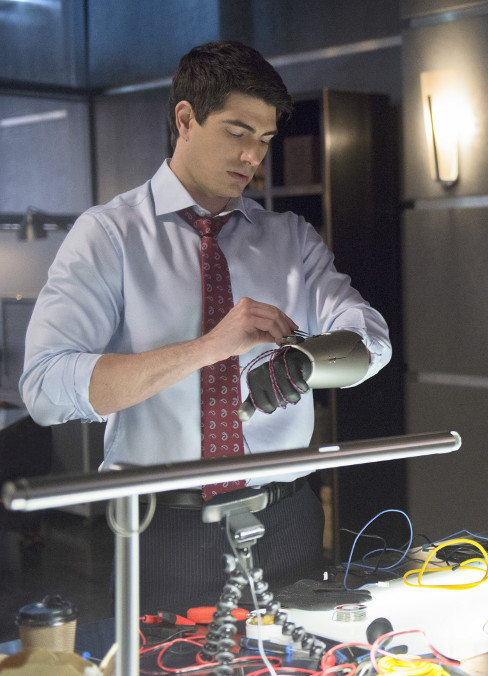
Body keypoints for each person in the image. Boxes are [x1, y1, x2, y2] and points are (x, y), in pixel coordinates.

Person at [19, 41, 392, 611]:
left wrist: (305, 363)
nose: (252, 156)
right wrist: (208, 348)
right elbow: (45, 388)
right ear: (186, 119)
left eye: (264, 139)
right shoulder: (109, 235)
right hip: (164, 532)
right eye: (237, 131)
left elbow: (371, 338)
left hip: (287, 521)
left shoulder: (290, 238)